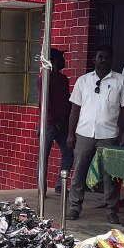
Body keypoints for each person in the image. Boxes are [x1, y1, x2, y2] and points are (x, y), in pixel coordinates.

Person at [66, 46, 124, 224]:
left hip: (109, 134)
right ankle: (74, 206)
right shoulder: (83, 81)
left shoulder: (121, 80)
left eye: (107, 57)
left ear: (111, 60)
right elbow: (75, 109)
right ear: (94, 60)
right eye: (100, 57)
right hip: (84, 133)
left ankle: (111, 209)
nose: (104, 60)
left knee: (110, 174)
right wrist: (70, 134)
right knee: (79, 170)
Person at [42, 48, 74, 194]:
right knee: (44, 157)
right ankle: (41, 186)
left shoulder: (63, 79)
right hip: (49, 125)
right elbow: (45, 104)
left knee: (68, 152)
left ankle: (61, 184)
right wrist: (55, 121)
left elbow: (67, 102)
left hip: (63, 124)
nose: (64, 61)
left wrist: (66, 121)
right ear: (54, 60)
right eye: (61, 57)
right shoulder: (44, 79)